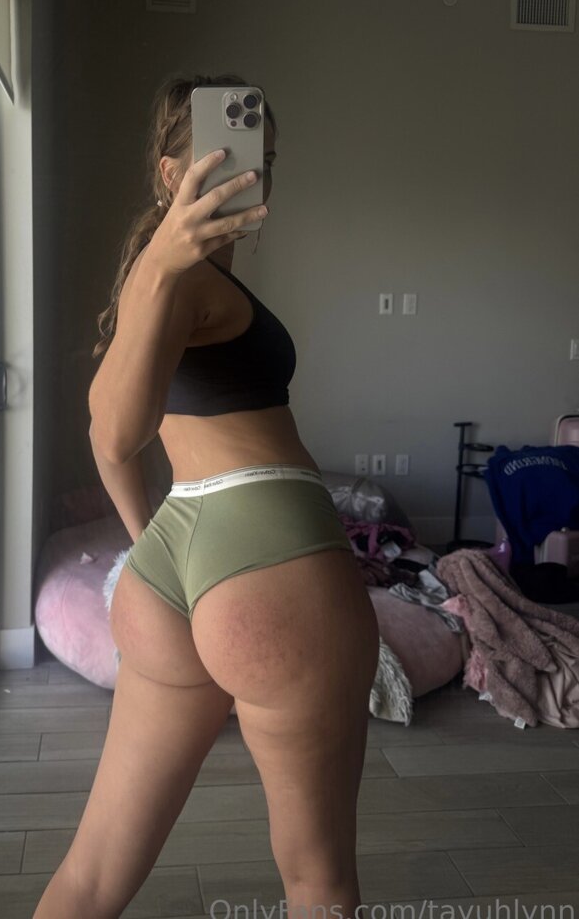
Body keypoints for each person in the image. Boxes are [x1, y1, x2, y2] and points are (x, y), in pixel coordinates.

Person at [33, 73, 380, 919]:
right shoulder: (175, 276)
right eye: (228, 159)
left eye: (264, 160)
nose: (252, 176)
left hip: (176, 561)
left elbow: (106, 430)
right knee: (318, 882)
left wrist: (148, 544)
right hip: (271, 560)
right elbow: (114, 434)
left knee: (93, 873)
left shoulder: (158, 280)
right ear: (170, 174)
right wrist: (165, 258)